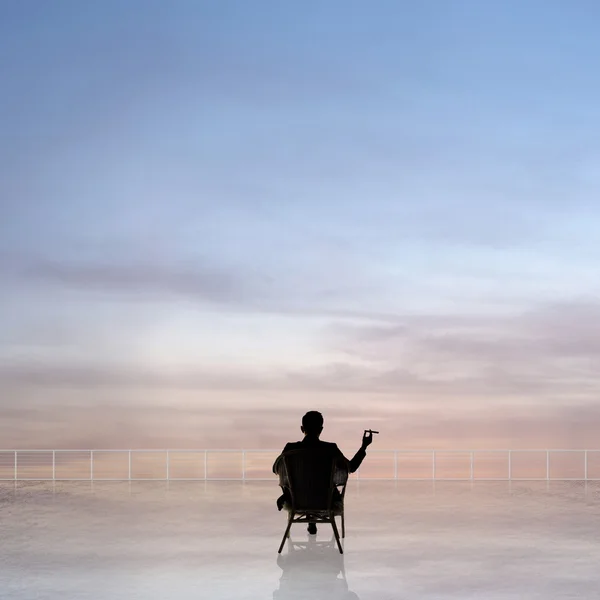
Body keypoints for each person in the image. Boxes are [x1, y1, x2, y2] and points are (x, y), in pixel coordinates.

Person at [272, 411, 373, 535]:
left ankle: (306, 515)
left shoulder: (290, 448)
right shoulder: (331, 449)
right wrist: (364, 446)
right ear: (321, 429)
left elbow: (276, 469)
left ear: (302, 428)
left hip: (296, 500)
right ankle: (313, 520)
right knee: (319, 483)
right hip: (325, 501)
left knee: (302, 481)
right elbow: (351, 468)